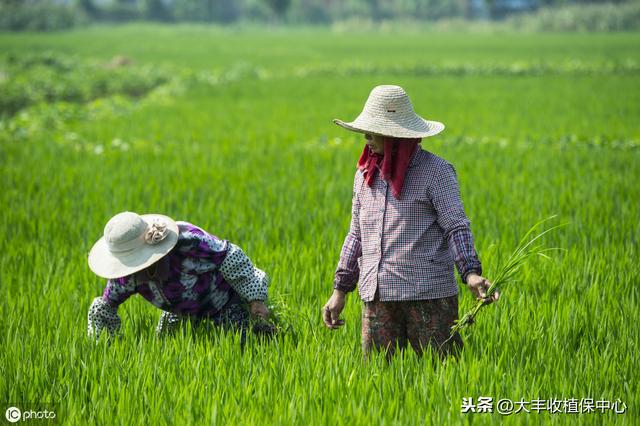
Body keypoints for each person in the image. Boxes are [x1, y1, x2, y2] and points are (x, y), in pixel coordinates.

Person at [322, 85, 499, 360]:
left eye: (373, 130)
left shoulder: (436, 172)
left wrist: (471, 273)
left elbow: (456, 227)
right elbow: (355, 236)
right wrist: (340, 290)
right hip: (377, 296)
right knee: (380, 381)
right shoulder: (364, 176)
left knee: (440, 376)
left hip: (428, 295)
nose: (366, 137)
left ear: (395, 134)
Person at [87, 211, 273, 342]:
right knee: (166, 346)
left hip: (223, 302)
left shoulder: (188, 242)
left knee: (244, 343)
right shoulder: (126, 277)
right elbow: (105, 307)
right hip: (179, 311)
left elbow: (231, 256)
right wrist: (105, 346)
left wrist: (255, 300)